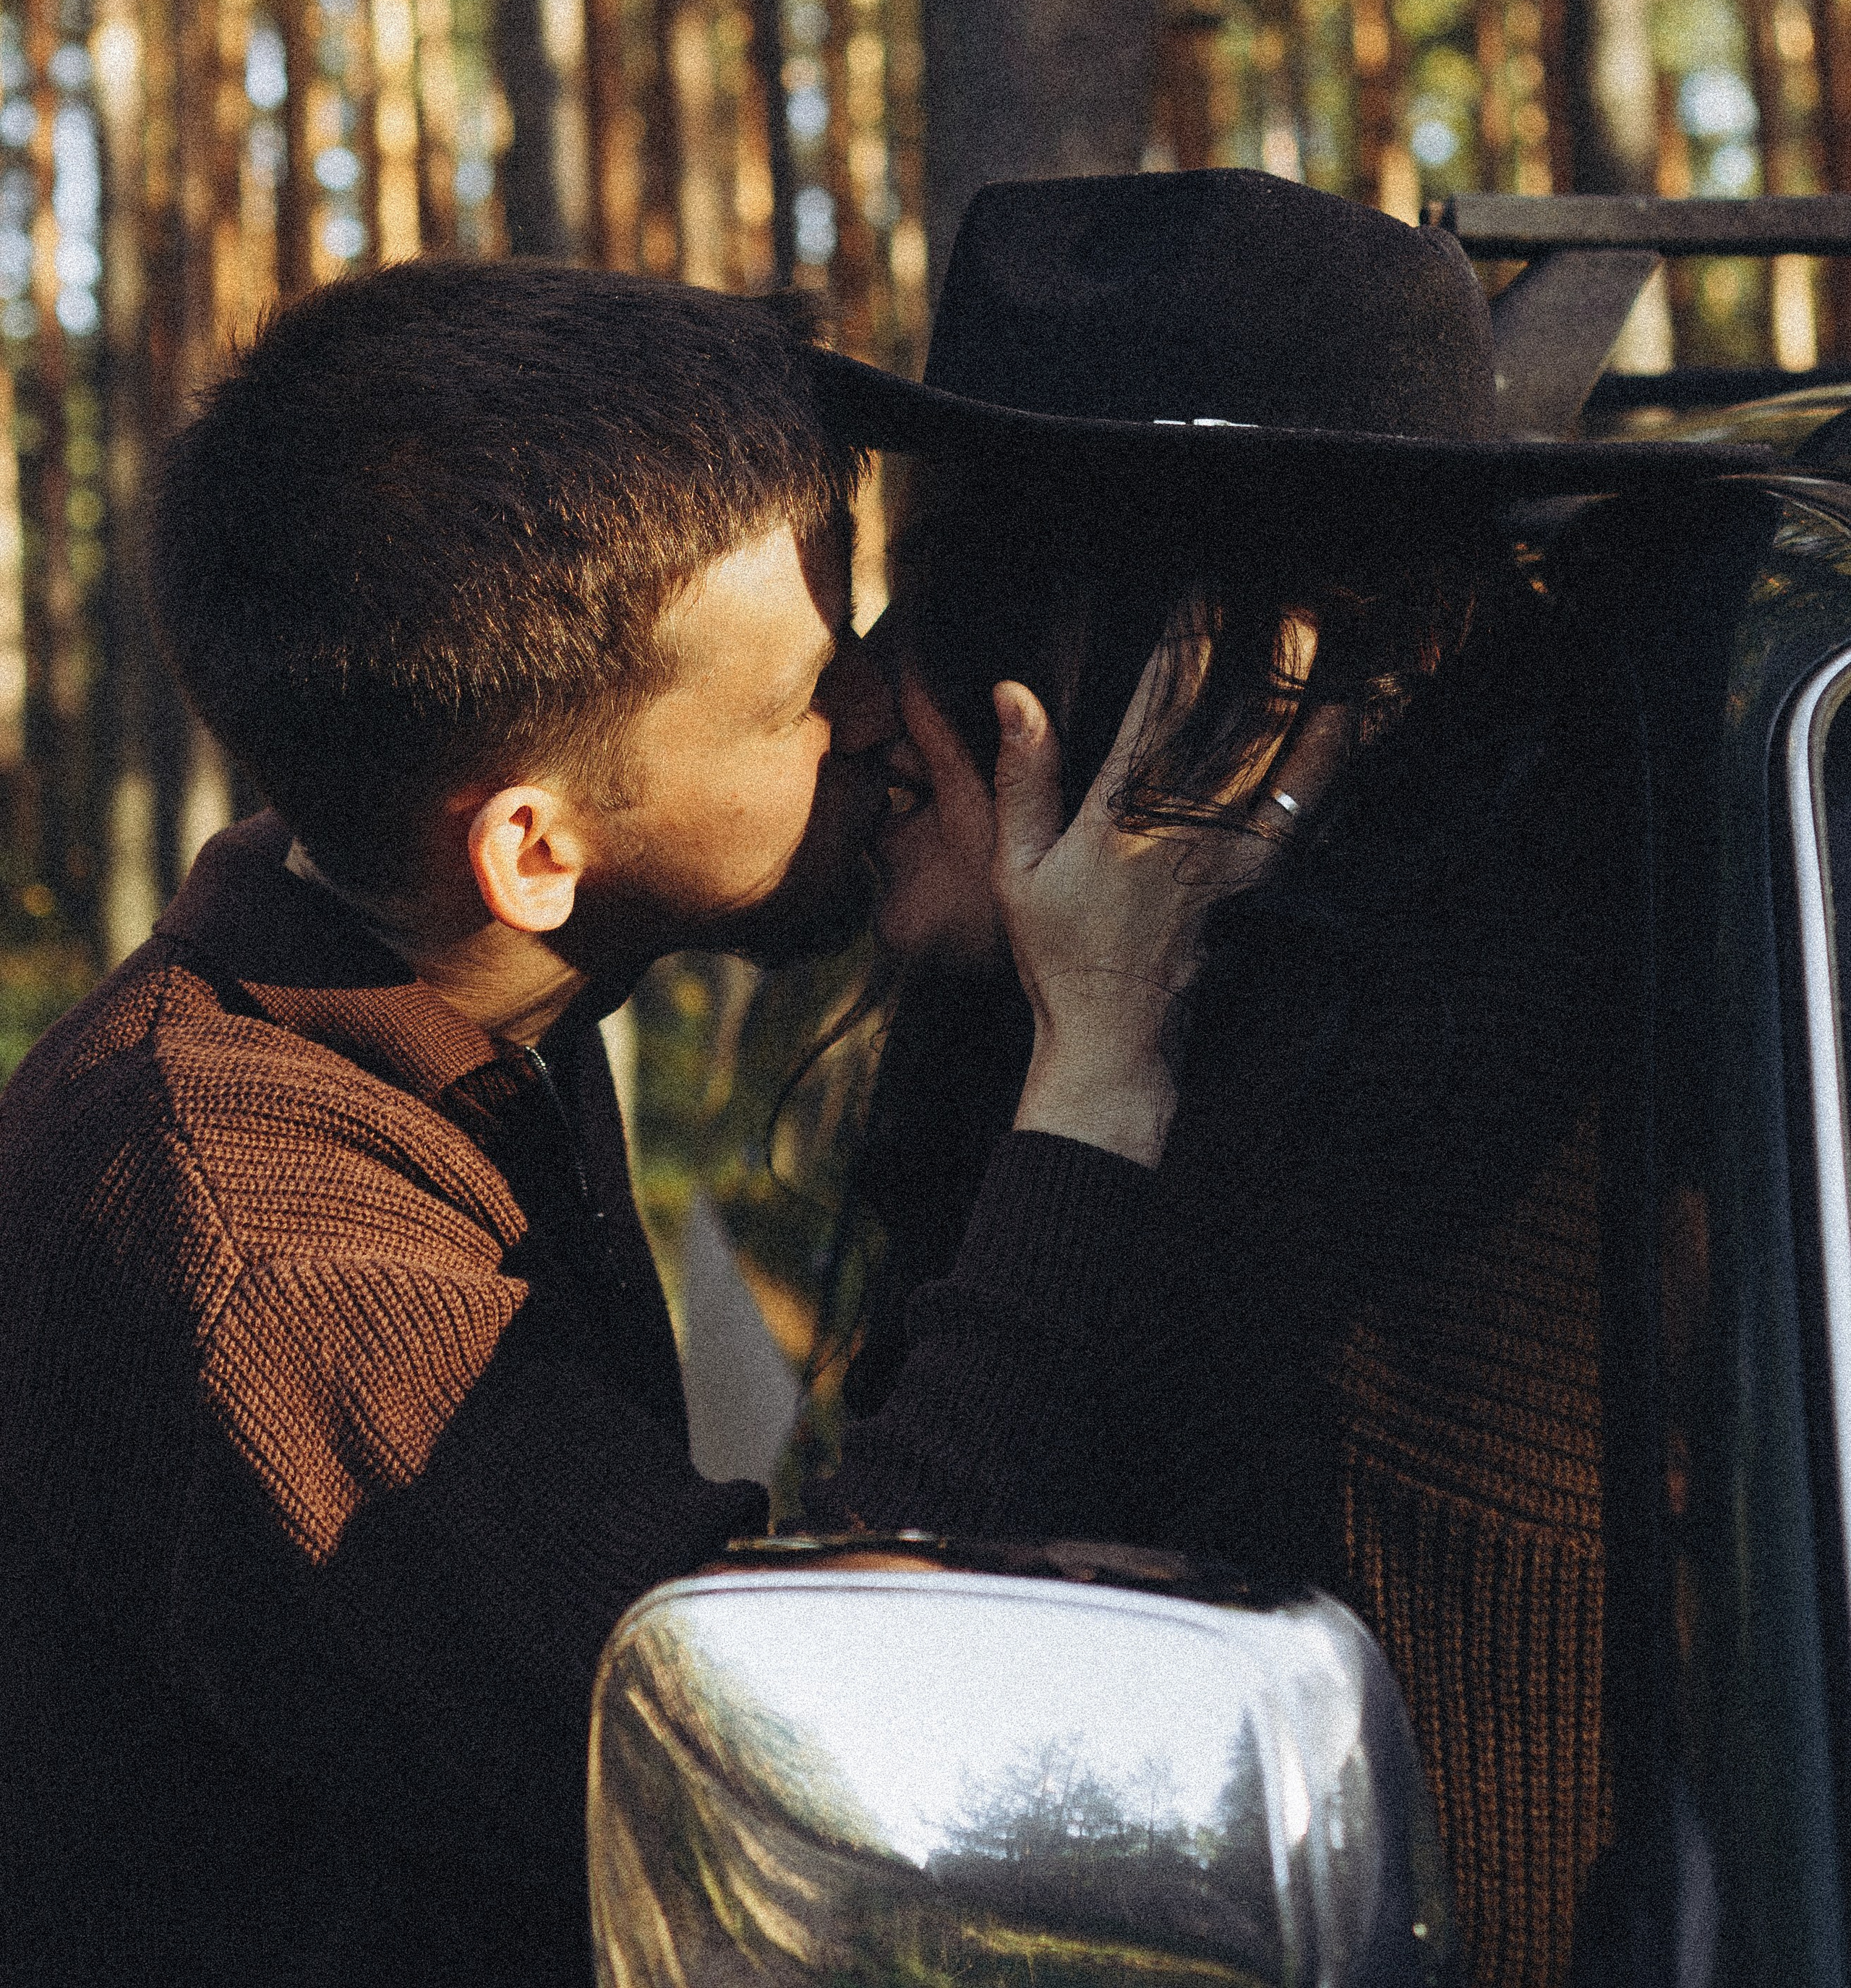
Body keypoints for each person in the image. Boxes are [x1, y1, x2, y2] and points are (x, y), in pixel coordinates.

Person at [0, 257, 1246, 1988]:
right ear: (533, 848)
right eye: (807, 694)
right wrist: (1095, 1082)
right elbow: (791, 1777)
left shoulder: (458, 1011)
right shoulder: (260, 1251)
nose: (889, 706)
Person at [806, 171, 1722, 1988]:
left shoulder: (1518, 1196)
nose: (865, 685)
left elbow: (857, 1763)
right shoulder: (1060, 1053)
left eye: (981, 587)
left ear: (1253, 661)